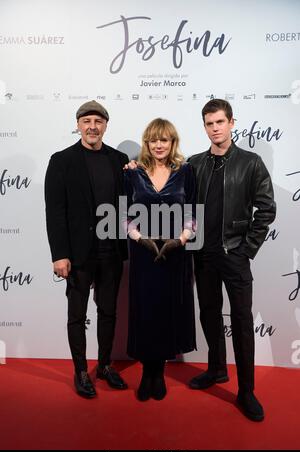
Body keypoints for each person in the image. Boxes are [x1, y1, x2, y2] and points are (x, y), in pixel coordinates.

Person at [188, 99, 276, 421]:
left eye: (220, 122)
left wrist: (246, 249)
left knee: (240, 321)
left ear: (232, 123)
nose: (215, 128)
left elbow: (266, 209)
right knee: (209, 315)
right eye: (210, 124)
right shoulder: (195, 164)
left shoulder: (251, 163)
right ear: (205, 127)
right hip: (204, 256)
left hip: (234, 255)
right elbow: (177, 200)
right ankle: (216, 370)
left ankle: (247, 391)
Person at [45, 100, 129, 398]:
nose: (93, 126)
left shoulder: (119, 160)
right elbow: (55, 211)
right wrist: (59, 254)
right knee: (77, 315)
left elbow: (129, 206)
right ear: (78, 124)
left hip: (111, 252)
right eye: (87, 120)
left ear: (106, 125)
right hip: (78, 254)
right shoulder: (61, 160)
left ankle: (105, 365)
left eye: (98, 120)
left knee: (108, 312)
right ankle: (81, 371)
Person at [124, 118, 197, 401]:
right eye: (153, 140)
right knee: (146, 311)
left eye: (164, 140)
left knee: (167, 311)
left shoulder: (185, 171)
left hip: (174, 254)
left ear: (172, 143)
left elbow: (192, 212)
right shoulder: (134, 173)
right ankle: (147, 373)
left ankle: (160, 372)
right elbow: (124, 214)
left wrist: (179, 240)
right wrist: (139, 238)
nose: (158, 145)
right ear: (147, 143)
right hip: (142, 255)